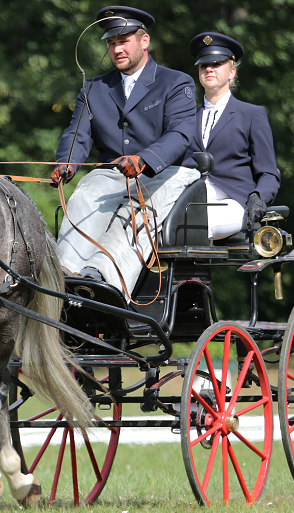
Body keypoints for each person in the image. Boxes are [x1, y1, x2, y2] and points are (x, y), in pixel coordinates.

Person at [52, 5, 199, 296]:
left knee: (136, 212)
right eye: (111, 43)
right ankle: (62, 277)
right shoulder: (92, 89)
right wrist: (66, 164)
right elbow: (77, 134)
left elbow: (180, 134)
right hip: (112, 173)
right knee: (83, 196)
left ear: (144, 41)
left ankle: (103, 280)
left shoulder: (176, 82)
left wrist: (144, 159)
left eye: (123, 41)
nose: (117, 49)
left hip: (167, 171)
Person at [188, 32, 280, 240]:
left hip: (234, 201)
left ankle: (194, 274)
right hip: (192, 198)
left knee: (194, 224)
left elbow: (268, 172)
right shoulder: (187, 118)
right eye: (204, 65)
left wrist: (259, 197)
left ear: (231, 72)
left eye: (216, 64)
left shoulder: (251, 114)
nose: (209, 68)